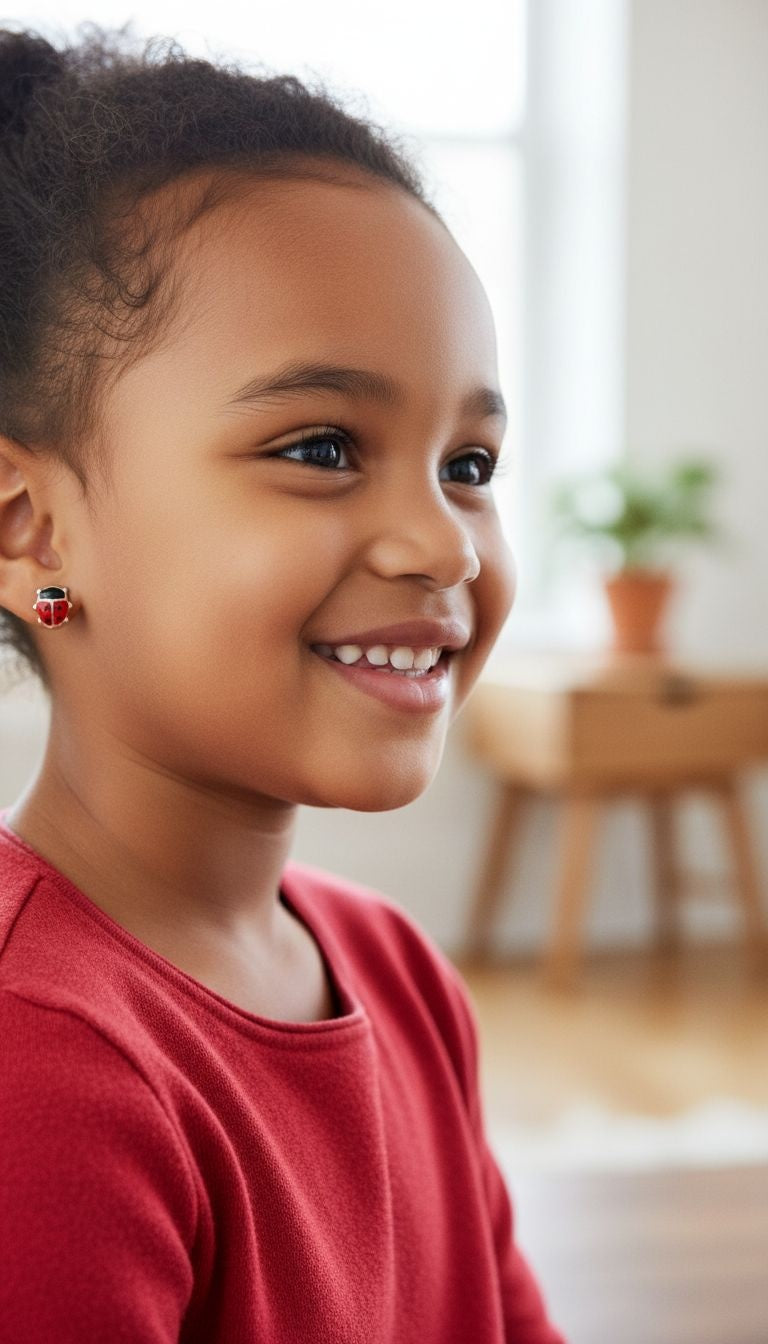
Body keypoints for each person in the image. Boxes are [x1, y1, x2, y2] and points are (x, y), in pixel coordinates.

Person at [0, 20, 567, 1344]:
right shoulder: (40, 1070)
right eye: (321, 446)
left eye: (468, 465)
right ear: (30, 528)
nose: (439, 541)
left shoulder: (398, 971)